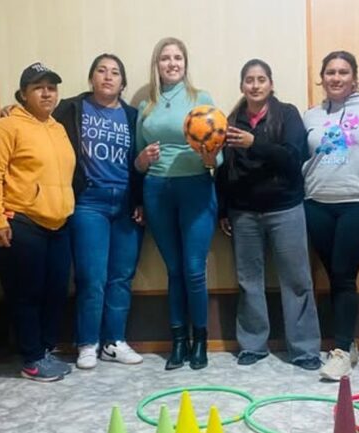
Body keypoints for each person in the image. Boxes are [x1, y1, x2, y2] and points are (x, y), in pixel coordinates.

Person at [216, 59, 321, 371]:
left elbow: (293, 158)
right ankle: (252, 345)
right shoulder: (231, 120)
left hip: (285, 208)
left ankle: (304, 349)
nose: (255, 85)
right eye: (249, 80)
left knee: (297, 280)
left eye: (261, 79)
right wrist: (224, 209)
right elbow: (224, 170)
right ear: (242, 86)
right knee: (249, 280)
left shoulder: (287, 114)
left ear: (271, 84)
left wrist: (254, 143)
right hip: (243, 213)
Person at [0, 62, 75, 382]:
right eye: (38, 88)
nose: (47, 93)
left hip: (57, 224)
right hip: (19, 221)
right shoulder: (6, 127)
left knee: (55, 291)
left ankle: (44, 351)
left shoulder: (58, 128)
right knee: (26, 294)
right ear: (23, 94)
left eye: (52, 87)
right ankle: (31, 359)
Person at [51, 54, 145, 369]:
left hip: (126, 204)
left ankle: (114, 342)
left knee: (121, 276)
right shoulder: (71, 108)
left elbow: (141, 162)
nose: (108, 76)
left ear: (123, 82)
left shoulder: (132, 116)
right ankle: (88, 343)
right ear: (92, 78)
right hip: (88, 202)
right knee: (92, 277)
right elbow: (39, 121)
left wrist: (140, 201)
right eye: (101, 71)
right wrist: (12, 111)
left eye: (115, 72)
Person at [134, 37, 222, 370]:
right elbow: (137, 160)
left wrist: (211, 158)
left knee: (194, 270)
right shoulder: (146, 105)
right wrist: (142, 159)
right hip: (156, 190)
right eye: (165, 58)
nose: (172, 63)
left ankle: (200, 341)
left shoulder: (201, 99)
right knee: (173, 270)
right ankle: (179, 342)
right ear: (156, 65)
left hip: (196, 188)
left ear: (185, 63)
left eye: (177, 58)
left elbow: (218, 155)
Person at [302, 51, 359, 380]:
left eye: (343, 72)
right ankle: (347, 343)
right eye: (330, 72)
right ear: (322, 78)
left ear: (354, 77)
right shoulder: (310, 116)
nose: (336, 78)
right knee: (334, 276)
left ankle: (339, 351)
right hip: (317, 203)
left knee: (343, 273)